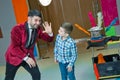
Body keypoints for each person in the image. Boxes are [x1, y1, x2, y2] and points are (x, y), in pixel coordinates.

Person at [4, 9, 54, 80]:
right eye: (36, 20)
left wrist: (50, 33)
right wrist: (26, 58)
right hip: (14, 57)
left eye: (39, 21)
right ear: (29, 18)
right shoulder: (17, 29)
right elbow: (14, 47)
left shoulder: (38, 29)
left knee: (36, 74)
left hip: (28, 56)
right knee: (9, 78)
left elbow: (49, 39)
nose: (38, 23)